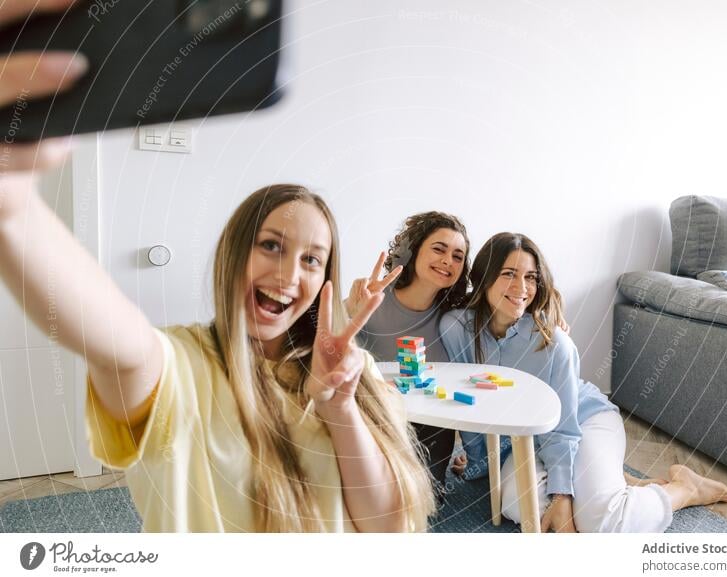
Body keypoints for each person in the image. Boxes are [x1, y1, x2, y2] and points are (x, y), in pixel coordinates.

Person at [0, 2, 434, 533]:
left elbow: (390, 527)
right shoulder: (185, 367)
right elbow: (118, 341)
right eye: (271, 245)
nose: (289, 274)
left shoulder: (354, 374)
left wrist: (340, 409)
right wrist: (13, 209)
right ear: (234, 254)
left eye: (311, 260)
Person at [439, 232, 727, 532]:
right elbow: (471, 404)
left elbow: (564, 426)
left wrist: (562, 496)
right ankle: (611, 484)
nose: (521, 288)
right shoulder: (455, 328)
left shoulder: (552, 343)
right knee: (517, 504)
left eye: (530, 277)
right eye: (508, 274)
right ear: (484, 277)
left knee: (602, 522)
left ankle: (683, 489)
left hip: (583, 420)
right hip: (528, 438)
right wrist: (479, 464)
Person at [345, 212, 471, 493]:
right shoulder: (372, 298)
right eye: (439, 249)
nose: (448, 261)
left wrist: (552, 311)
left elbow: (507, 309)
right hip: (373, 419)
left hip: (430, 428)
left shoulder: (457, 316)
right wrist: (352, 316)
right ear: (413, 252)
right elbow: (326, 348)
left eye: (457, 256)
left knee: (424, 500)